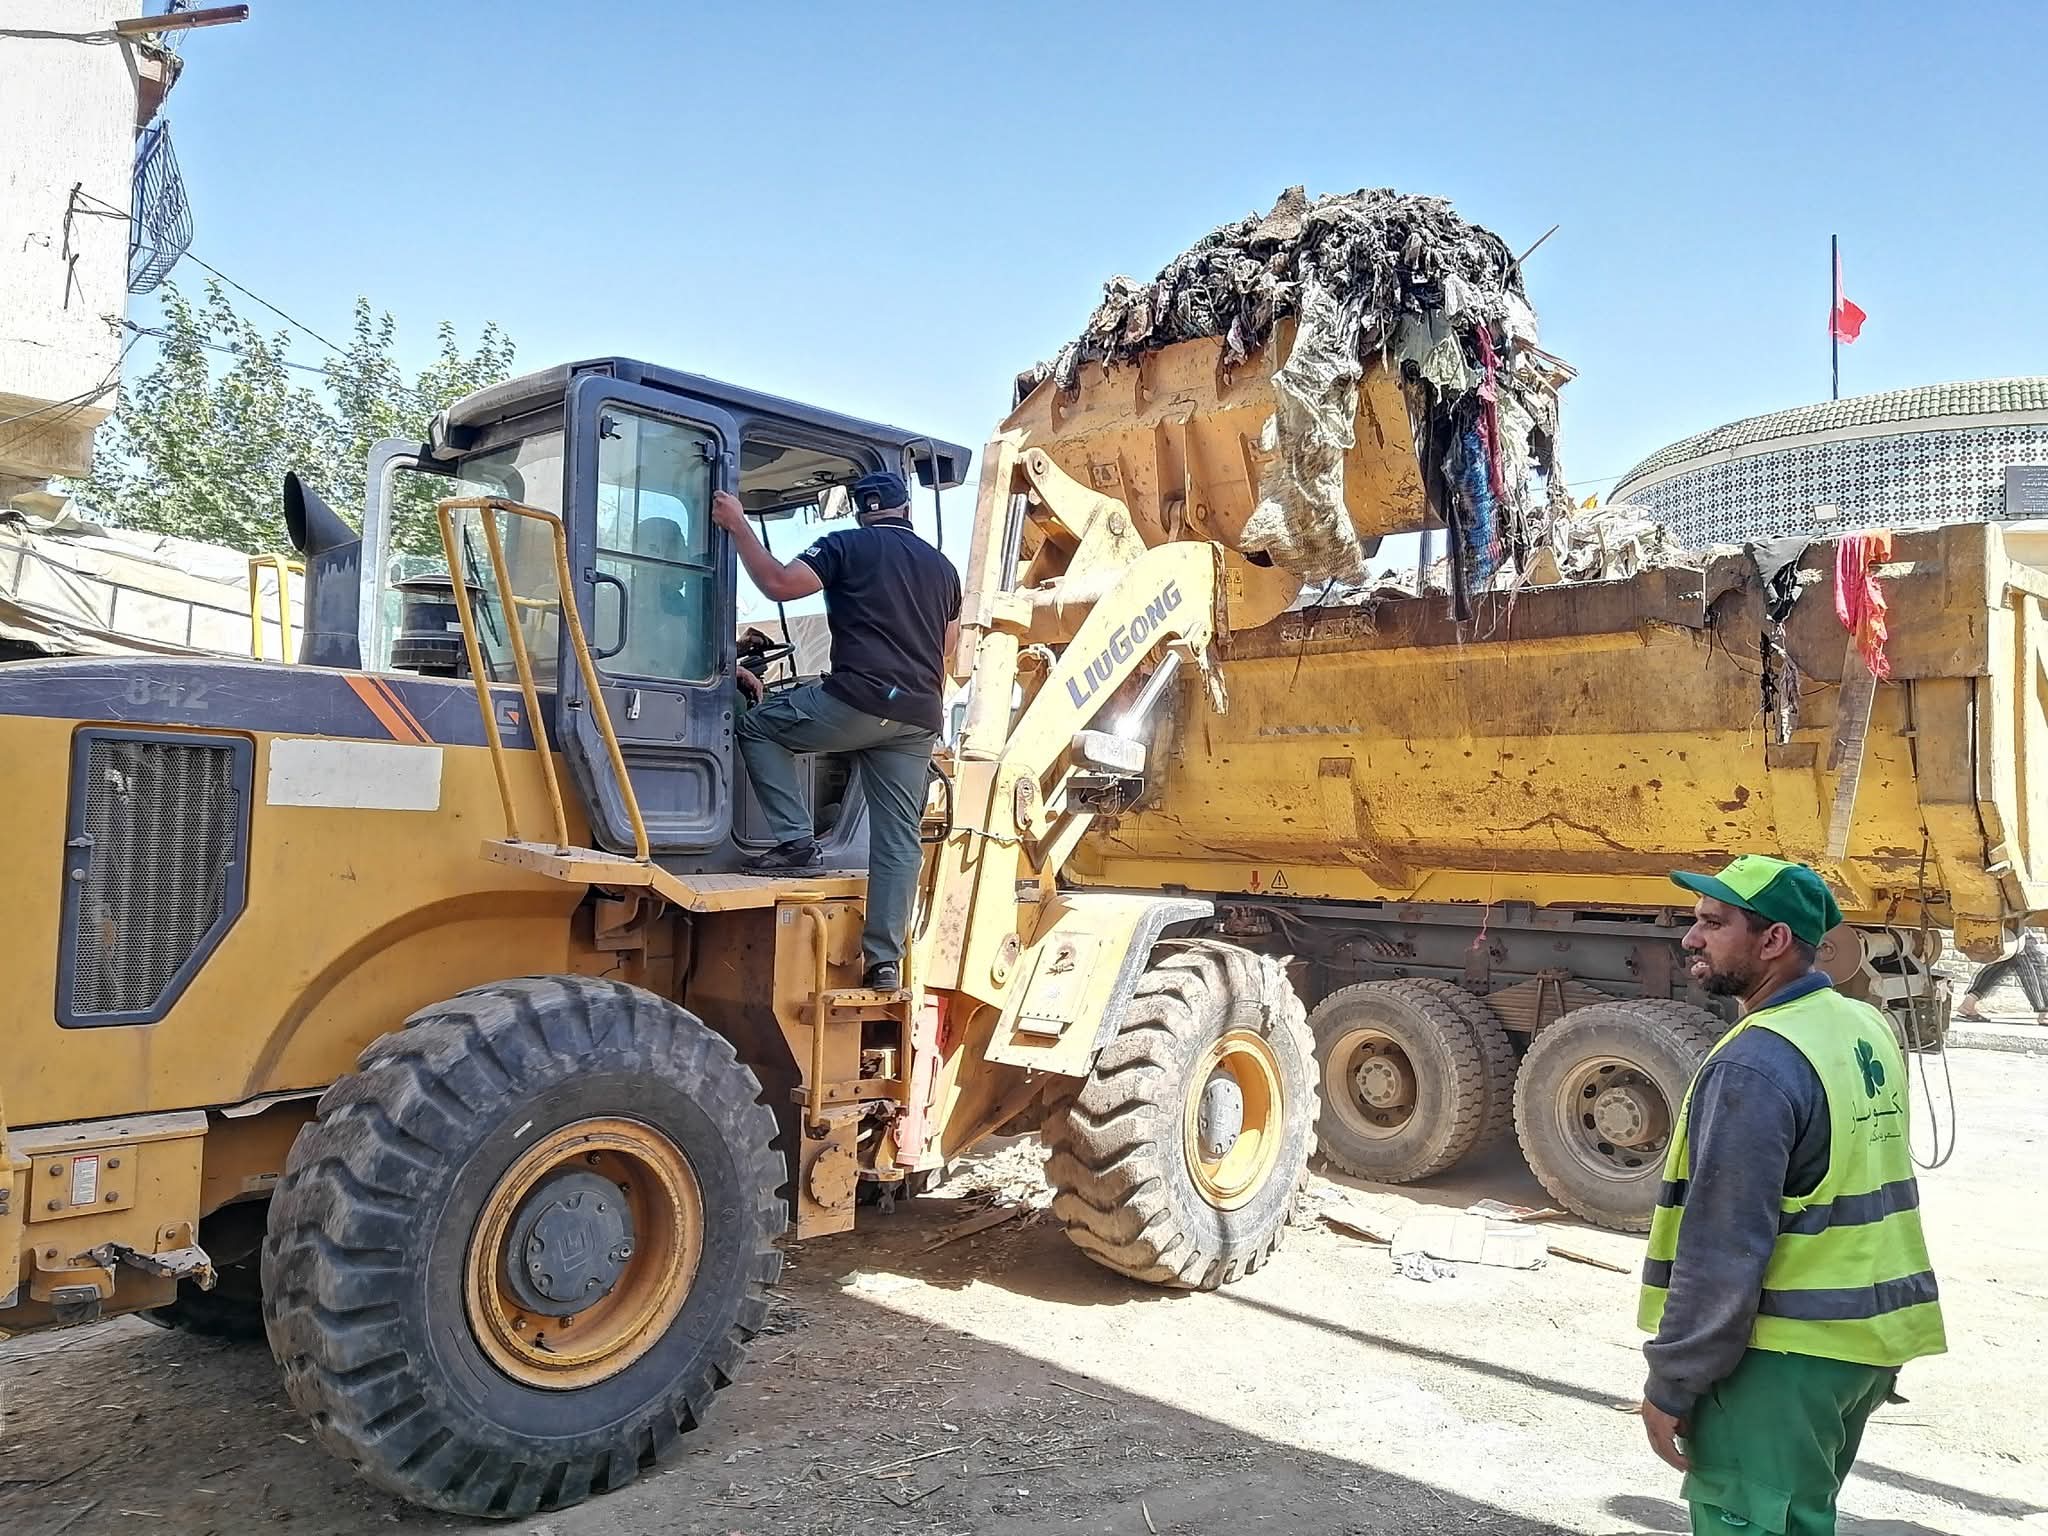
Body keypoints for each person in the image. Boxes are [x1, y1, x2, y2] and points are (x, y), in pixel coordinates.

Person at [1640, 854, 1946, 1536]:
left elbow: (1723, 1245)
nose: (1691, 938)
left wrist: (1673, 1380)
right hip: (1861, 1346)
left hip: (1780, 1357)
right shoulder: (1863, 1025)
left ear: (1774, 940)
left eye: (1713, 923)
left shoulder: (1756, 1062)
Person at [710, 472, 960, 991]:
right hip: (918, 717)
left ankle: (796, 842)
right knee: (897, 838)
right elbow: (948, 649)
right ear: (905, 508)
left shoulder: (845, 545)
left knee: (758, 727)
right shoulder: (944, 569)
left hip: (855, 701)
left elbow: (780, 584)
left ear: (861, 512)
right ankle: (884, 962)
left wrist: (737, 525)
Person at [1955, 927, 2048, 1024]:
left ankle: (1969, 1003)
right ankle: (2045, 1011)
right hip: (2010, 921)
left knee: (2008, 958)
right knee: (2030, 953)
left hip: (2005, 922)